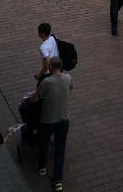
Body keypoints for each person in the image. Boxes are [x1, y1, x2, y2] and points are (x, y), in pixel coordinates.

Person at [36, 56, 72, 191]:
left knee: (43, 143)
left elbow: (36, 97)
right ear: (61, 67)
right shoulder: (68, 78)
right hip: (63, 120)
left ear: (51, 67)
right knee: (60, 149)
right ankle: (58, 180)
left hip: (47, 120)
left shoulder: (46, 82)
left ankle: (42, 167)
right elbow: (70, 90)